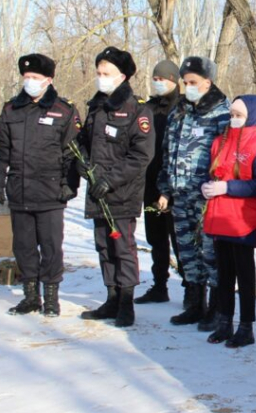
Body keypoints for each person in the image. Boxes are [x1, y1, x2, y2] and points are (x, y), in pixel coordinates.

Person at [0, 53, 80, 317]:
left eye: (35, 78)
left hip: (51, 192)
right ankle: (31, 297)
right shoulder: (10, 110)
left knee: (51, 246)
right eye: (26, 77)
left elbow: (72, 153)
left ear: (48, 80)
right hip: (19, 190)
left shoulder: (64, 110)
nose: (29, 82)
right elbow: (0, 149)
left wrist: (69, 184)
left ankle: (51, 297)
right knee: (24, 246)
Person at [78, 46, 154, 328]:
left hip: (121, 192)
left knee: (122, 247)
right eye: (98, 72)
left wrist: (110, 180)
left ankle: (126, 302)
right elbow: (84, 144)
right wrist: (82, 165)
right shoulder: (96, 107)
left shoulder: (137, 110)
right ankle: (111, 297)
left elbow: (141, 155)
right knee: (103, 247)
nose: (100, 77)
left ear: (121, 76)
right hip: (97, 192)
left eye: (105, 73)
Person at [157, 57, 230, 328]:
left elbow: (226, 156)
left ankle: (216, 308)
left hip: (206, 198)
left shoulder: (222, 112)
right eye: (185, 82)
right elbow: (168, 150)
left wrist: (218, 188)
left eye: (193, 82)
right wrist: (165, 188)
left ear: (207, 83)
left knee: (210, 254)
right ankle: (195, 303)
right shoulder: (180, 111)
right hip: (179, 194)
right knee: (187, 253)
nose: (187, 87)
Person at [202, 95, 256, 348]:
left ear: (252, 116)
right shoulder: (219, 142)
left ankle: (246, 326)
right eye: (231, 114)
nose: (233, 119)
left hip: (243, 218)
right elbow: (210, 171)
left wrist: (227, 187)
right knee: (223, 273)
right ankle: (224, 321)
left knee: (243, 274)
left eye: (239, 115)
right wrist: (208, 186)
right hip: (220, 216)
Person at [135, 59, 182, 304]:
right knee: (156, 239)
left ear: (174, 80)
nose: (158, 83)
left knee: (180, 240)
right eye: (155, 78)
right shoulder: (149, 108)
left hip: (176, 185)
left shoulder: (183, 108)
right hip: (150, 184)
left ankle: (192, 291)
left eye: (162, 78)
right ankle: (159, 286)